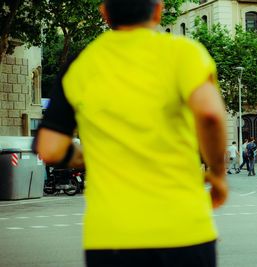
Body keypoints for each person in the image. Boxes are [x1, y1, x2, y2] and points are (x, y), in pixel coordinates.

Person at [32, 1, 228, 266]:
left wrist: (90, 155)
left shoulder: (81, 65)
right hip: (185, 232)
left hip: (112, 239)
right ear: (158, 10)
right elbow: (210, 114)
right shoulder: (184, 52)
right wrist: (217, 174)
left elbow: (50, 148)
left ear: (104, 14)